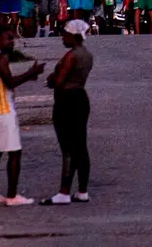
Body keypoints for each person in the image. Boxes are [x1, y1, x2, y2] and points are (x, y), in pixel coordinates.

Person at [0, 23, 44, 207]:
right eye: (8, 38)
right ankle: (12, 195)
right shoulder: (0, 58)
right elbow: (9, 82)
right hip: (3, 110)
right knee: (14, 152)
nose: (12, 42)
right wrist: (31, 72)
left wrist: (29, 75)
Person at [41, 19, 94, 205]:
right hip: (80, 97)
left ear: (74, 35)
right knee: (81, 145)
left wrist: (51, 79)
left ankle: (64, 192)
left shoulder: (71, 56)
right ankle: (82, 190)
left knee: (68, 147)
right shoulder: (87, 55)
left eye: (65, 34)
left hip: (66, 100)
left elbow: (60, 80)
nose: (63, 37)